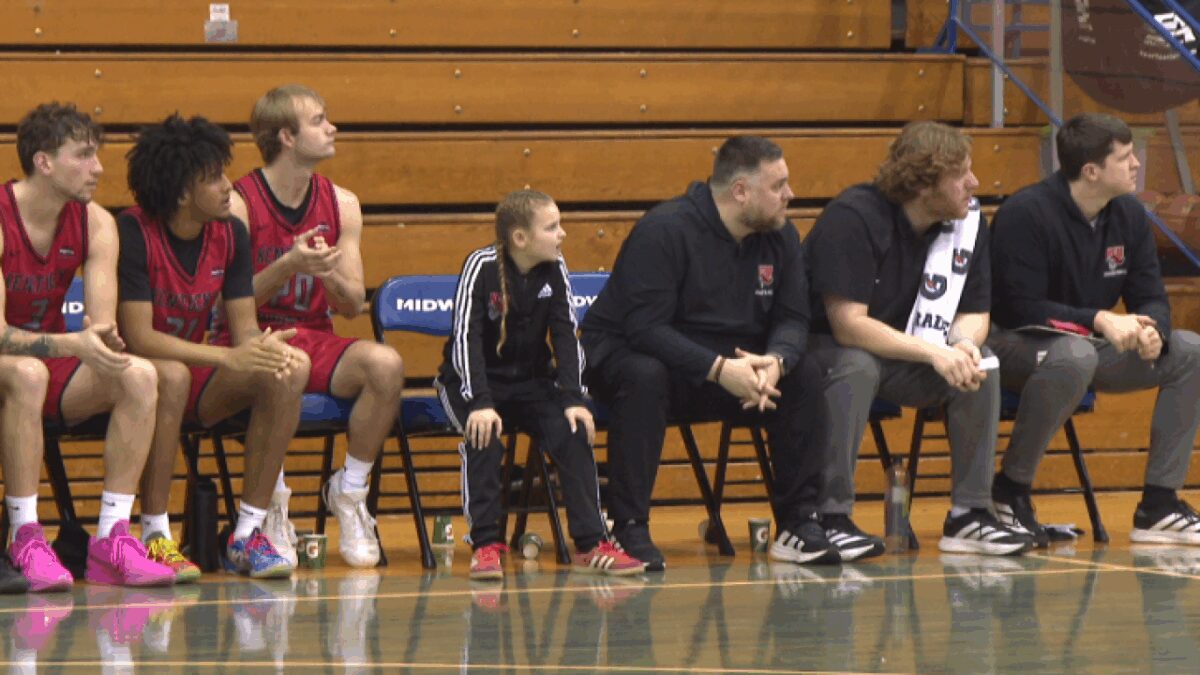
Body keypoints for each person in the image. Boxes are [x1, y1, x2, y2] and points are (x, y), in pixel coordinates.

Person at [580, 135, 837, 571]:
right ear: (741, 191)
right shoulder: (665, 230)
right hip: (631, 355)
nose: (790, 195)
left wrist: (775, 362)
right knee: (645, 375)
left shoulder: (782, 236)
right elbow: (644, 328)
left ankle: (799, 524)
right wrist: (719, 370)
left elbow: (794, 319)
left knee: (805, 372)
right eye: (779, 186)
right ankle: (629, 527)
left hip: (730, 366)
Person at [804, 121, 1032, 558]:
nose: (974, 183)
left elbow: (975, 311)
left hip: (906, 354)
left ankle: (970, 515)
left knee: (981, 360)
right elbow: (848, 324)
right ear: (925, 182)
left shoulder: (967, 223)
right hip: (824, 353)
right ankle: (830, 517)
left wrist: (962, 345)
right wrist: (935, 352)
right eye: (961, 173)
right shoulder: (854, 216)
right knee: (858, 364)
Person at [209, 84, 403, 567]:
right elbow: (220, 306)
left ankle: (350, 492)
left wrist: (324, 267)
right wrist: (287, 265)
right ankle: (270, 501)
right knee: (281, 362)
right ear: (287, 137)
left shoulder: (343, 204)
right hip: (248, 338)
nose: (331, 127)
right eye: (319, 120)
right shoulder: (239, 204)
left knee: (386, 364)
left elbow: (354, 303)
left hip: (314, 335)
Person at [989, 112, 1200, 546]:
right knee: (1075, 354)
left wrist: (1154, 329)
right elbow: (1017, 307)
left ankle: (1158, 506)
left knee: (1189, 350)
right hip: (1013, 344)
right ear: (1091, 171)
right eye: (1124, 158)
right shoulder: (1024, 213)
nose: (1137, 164)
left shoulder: (1129, 215)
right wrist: (1098, 319)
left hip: (1084, 346)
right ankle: (1009, 490)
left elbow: (1151, 294)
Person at [118, 113, 309, 579]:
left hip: (198, 375)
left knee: (291, 366)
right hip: (136, 379)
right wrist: (229, 355)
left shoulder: (230, 233)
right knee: (171, 373)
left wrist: (264, 349)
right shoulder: (132, 232)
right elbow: (139, 337)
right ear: (183, 193)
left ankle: (247, 534)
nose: (229, 186)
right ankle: (155, 534)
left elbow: (243, 328)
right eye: (214, 178)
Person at [0, 102, 175, 589]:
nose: (98, 168)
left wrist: (103, 340)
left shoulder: (96, 222)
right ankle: (25, 535)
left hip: (46, 359)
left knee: (138, 374)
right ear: (43, 162)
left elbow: (97, 329)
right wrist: (73, 343)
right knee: (28, 372)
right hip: (13, 363)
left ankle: (112, 538)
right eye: (83, 155)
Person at [436, 189, 644, 581]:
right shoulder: (480, 267)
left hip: (530, 383)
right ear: (520, 238)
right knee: (485, 433)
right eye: (552, 227)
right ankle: (484, 544)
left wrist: (573, 397)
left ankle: (590, 543)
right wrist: (479, 401)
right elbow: (465, 339)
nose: (562, 234)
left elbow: (566, 335)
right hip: (472, 384)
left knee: (573, 427)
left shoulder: (554, 266)